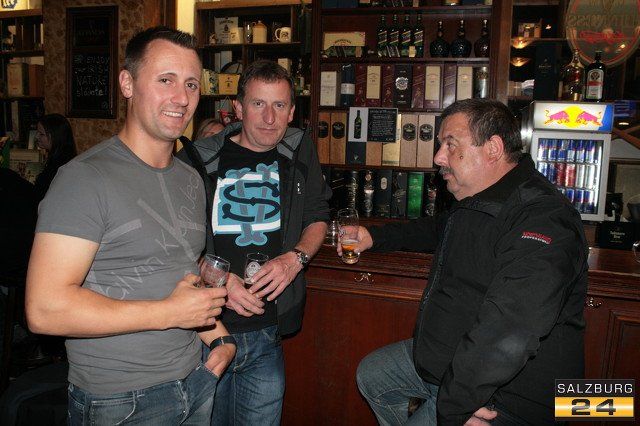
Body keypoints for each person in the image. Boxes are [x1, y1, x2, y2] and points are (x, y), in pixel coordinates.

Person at [26, 26, 235, 425]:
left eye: (191, 84)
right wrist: (168, 313)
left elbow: (178, 275)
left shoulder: (190, 178)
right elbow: (44, 310)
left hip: (196, 379)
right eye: (165, 80)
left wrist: (220, 339)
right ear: (127, 83)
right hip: (122, 401)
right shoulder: (84, 178)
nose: (182, 98)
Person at [347, 99, 588, 425]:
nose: (438, 157)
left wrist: (457, 405)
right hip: (449, 360)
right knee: (375, 374)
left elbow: (510, 330)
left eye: (450, 144)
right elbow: (439, 228)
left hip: (506, 394)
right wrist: (374, 237)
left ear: (493, 149)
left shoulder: (543, 216)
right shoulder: (481, 198)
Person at [177, 59, 331, 425]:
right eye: (258, 104)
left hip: (266, 334)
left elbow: (317, 216)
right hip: (206, 331)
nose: (269, 117)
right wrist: (218, 280)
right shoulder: (195, 158)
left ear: (291, 111)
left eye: (279, 105)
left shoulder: (300, 149)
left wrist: (295, 259)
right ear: (238, 108)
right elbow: (172, 242)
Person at [33, 113, 77, 201]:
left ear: (55, 136)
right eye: (37, 132)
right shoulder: (58, 157)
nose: (36, 136)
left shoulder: (61, 164)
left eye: (41, 134)